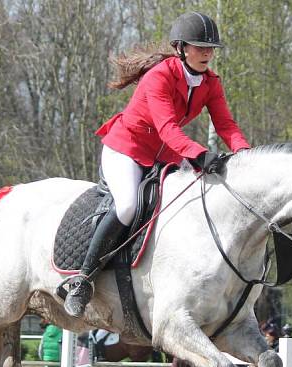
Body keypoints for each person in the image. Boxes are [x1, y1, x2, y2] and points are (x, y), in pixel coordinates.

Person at [61, 11, 250, 318]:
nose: (207, 53)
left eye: (210, 48)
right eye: (199, 46)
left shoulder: (211, 83)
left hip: (165, 155)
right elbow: (167, 128)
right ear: (181, 48)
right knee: (128, 207)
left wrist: (245, 155)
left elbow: (226, 124)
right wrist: (200, 155)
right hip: (127, 148)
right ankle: (82, 279)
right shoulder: (159, 76)